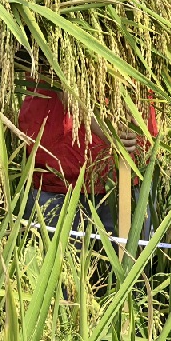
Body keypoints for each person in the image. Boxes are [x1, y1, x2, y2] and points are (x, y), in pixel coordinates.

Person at [16, 87, 153, 238]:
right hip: (61, 179)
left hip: (130, 173)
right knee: (60, 257)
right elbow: (65, 85)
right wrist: (109, 133)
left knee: (130, 256)